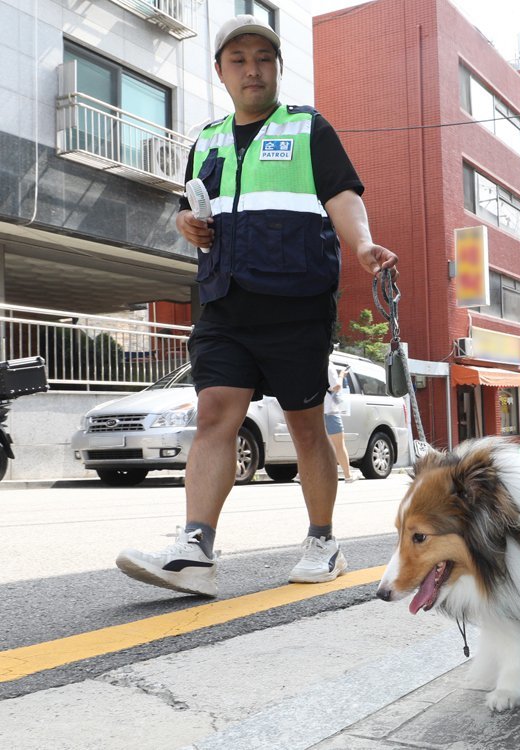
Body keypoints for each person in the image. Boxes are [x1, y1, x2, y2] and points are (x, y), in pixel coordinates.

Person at [115, 15, 398, 597]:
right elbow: (191, 208)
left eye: (263, 58)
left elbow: (341, 194)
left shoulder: (307, 128)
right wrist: (183, 223)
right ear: (221, 72)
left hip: (295, 298)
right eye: (239, 59)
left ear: (277, 68)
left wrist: (363, 244)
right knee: (216, 412)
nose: (252, 68)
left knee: (305, 425)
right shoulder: (208, 140)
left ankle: (323, 540)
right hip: (225, 299)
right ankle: (196, 546)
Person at [325, 361, 357, 483]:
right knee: (339, 445)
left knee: (311, 444)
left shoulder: (308, 361)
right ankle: (348, 475)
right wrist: (341, 375)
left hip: (313, 409)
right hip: (330, 410)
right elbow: (336, 387)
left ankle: (301, 474)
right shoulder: (328, 365)